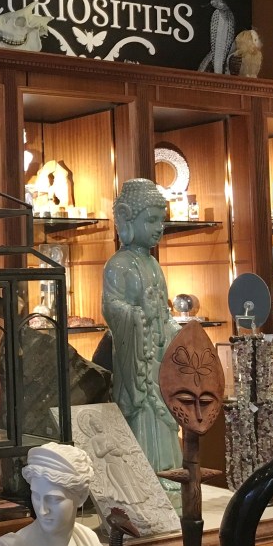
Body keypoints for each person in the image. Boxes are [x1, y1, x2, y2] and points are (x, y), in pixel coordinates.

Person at [102, 178, 182, 475]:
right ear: (126, 219)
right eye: (151, 220)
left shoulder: (154, 265)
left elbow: (164, 309)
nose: (159, 227)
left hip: (158, 351)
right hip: (135, 355)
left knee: (163, 415)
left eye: (162, 220)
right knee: (142, 412)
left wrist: (173, 328)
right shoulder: (118, 264)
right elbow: (111, 307)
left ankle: (169, 472)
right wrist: (137, 316)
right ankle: (141, 475)